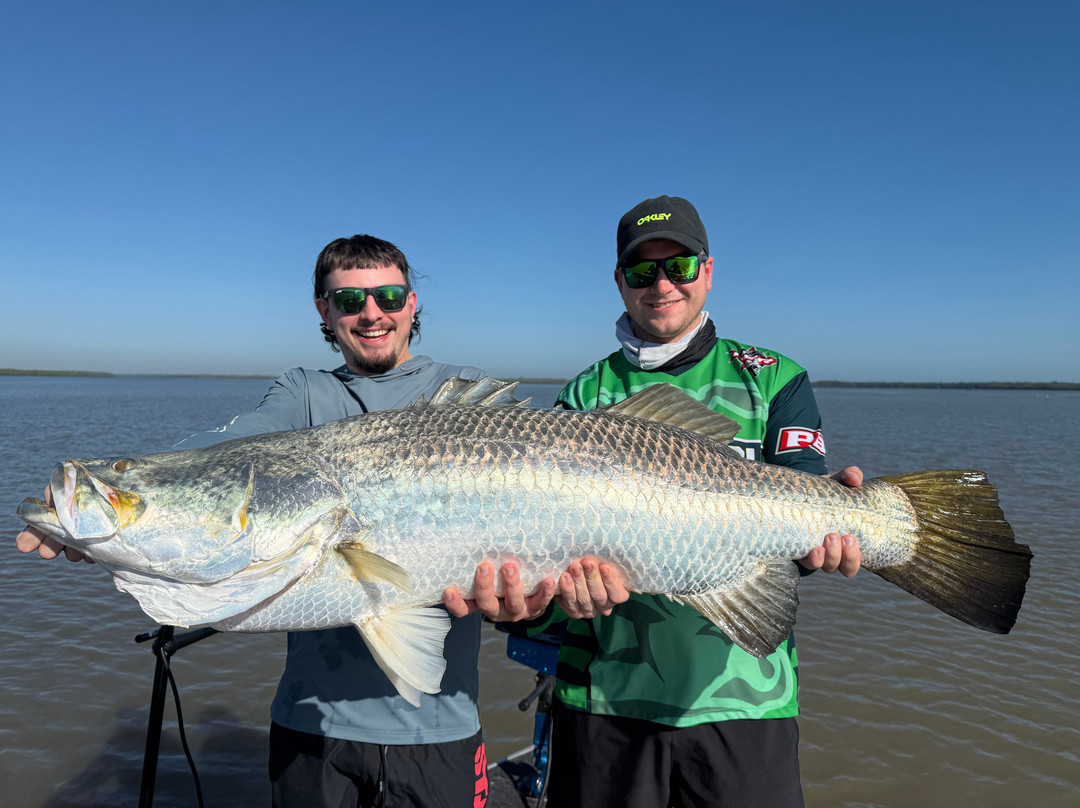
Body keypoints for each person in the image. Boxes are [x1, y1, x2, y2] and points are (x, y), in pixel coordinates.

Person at [15, 233, 607, 808]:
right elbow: (219, 454)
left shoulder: (457, 395)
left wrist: (534, 601)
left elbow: (535, 571)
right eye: (350, 300)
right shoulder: (302, 394)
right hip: (311, 726)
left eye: (389, 297)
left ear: (412, 304)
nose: (372, 313)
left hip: (441, 728)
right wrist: (115, 507)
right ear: (324, 309)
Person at [540, 196, 864, 807]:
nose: (661, 284)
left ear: (707, 271)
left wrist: (830, 540)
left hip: (747, 700)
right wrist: (561, 596)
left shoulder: (773, 376)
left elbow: (801, 512)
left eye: (679, 266)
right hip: (605, 701)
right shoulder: (584, 393)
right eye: (641, 271)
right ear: (619, 282)